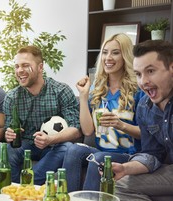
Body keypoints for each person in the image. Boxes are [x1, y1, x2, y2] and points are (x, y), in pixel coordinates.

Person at [112, 40, 173, 201]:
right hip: (169, 171)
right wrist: (125, 168)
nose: (143, 82)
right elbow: (152, 154)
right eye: (138, 74)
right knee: (119, 184)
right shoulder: (145, 107)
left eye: (151, 71)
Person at [62, 33, 144, 192]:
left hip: (128, 155)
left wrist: (121, 125)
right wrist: (84, 96)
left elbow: (145, 133)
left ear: (125, 56)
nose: (108, 57)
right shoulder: (97, 89)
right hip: (101, 150)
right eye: (105, 52)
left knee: (99, 159)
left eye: (115, 52)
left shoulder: (138, 90)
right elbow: (87, 130)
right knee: (73, 150)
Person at [4, 45, 81, 185]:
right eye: (17, 66)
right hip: (26, 144)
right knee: (9, 150)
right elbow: (8, 130)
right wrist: (9, 134)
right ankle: (12, 189)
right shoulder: (11, 97)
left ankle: (27, 187)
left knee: (68, 148)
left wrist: (50, 139)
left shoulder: (61, 91)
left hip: (54, 146)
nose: (19, 70)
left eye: (25, 65)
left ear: (40, 67)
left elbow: (75, 130)